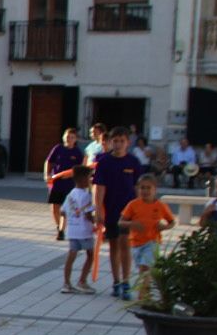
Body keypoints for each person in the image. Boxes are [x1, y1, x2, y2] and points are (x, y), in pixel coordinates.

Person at [92, 127, 145, 300]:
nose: (119, 144)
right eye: (115, 141)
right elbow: (99, 189)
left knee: (126, 246)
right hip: (111, 210)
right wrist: (99, 210)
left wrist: (141, 209)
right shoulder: (104, 162)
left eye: (122, 141)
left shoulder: (134, 162)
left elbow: (139, 188)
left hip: (128, 212)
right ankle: (115, 281)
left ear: (128, 143)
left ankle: (126, 281)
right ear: (110, 142)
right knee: (114, 246)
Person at [118, 175, 175, 301]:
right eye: (142, 188)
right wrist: (132, 224)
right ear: (137, 189)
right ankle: (147, 291)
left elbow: (172, 222)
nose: (145, 191)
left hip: (153, 241)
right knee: (142, 269)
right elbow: (120, 222)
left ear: (155, 189)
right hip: (136, 243)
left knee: (146, 267)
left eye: (148, 188)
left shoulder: (160, 206)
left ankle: (142, 296)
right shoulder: (133, 205)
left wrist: (164, 227)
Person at [59, 165, 97, 294]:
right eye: (89, 177)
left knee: (71, 256)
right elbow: (88, 214)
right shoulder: (87, 196)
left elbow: (62, 212)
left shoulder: (71, 194)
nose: (91, 180)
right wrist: (95, 222)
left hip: (72, 231)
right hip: (84, 230)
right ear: (82, 179)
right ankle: (82, 281)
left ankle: (66, 283)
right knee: (90, 255)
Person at [44, 128, 86, 241]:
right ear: (64, 137)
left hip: (69, 184)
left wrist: (72, 175)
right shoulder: (58, 148)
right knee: (54, 207)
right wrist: (47, 175)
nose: (69, 139)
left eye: (72, 137)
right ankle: (59, 226)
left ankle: (62, 230)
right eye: (67, 137)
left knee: (65, 208)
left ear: (75, 139)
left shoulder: (77, 152)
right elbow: (49, 161)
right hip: (56, 182)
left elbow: (81, 168)